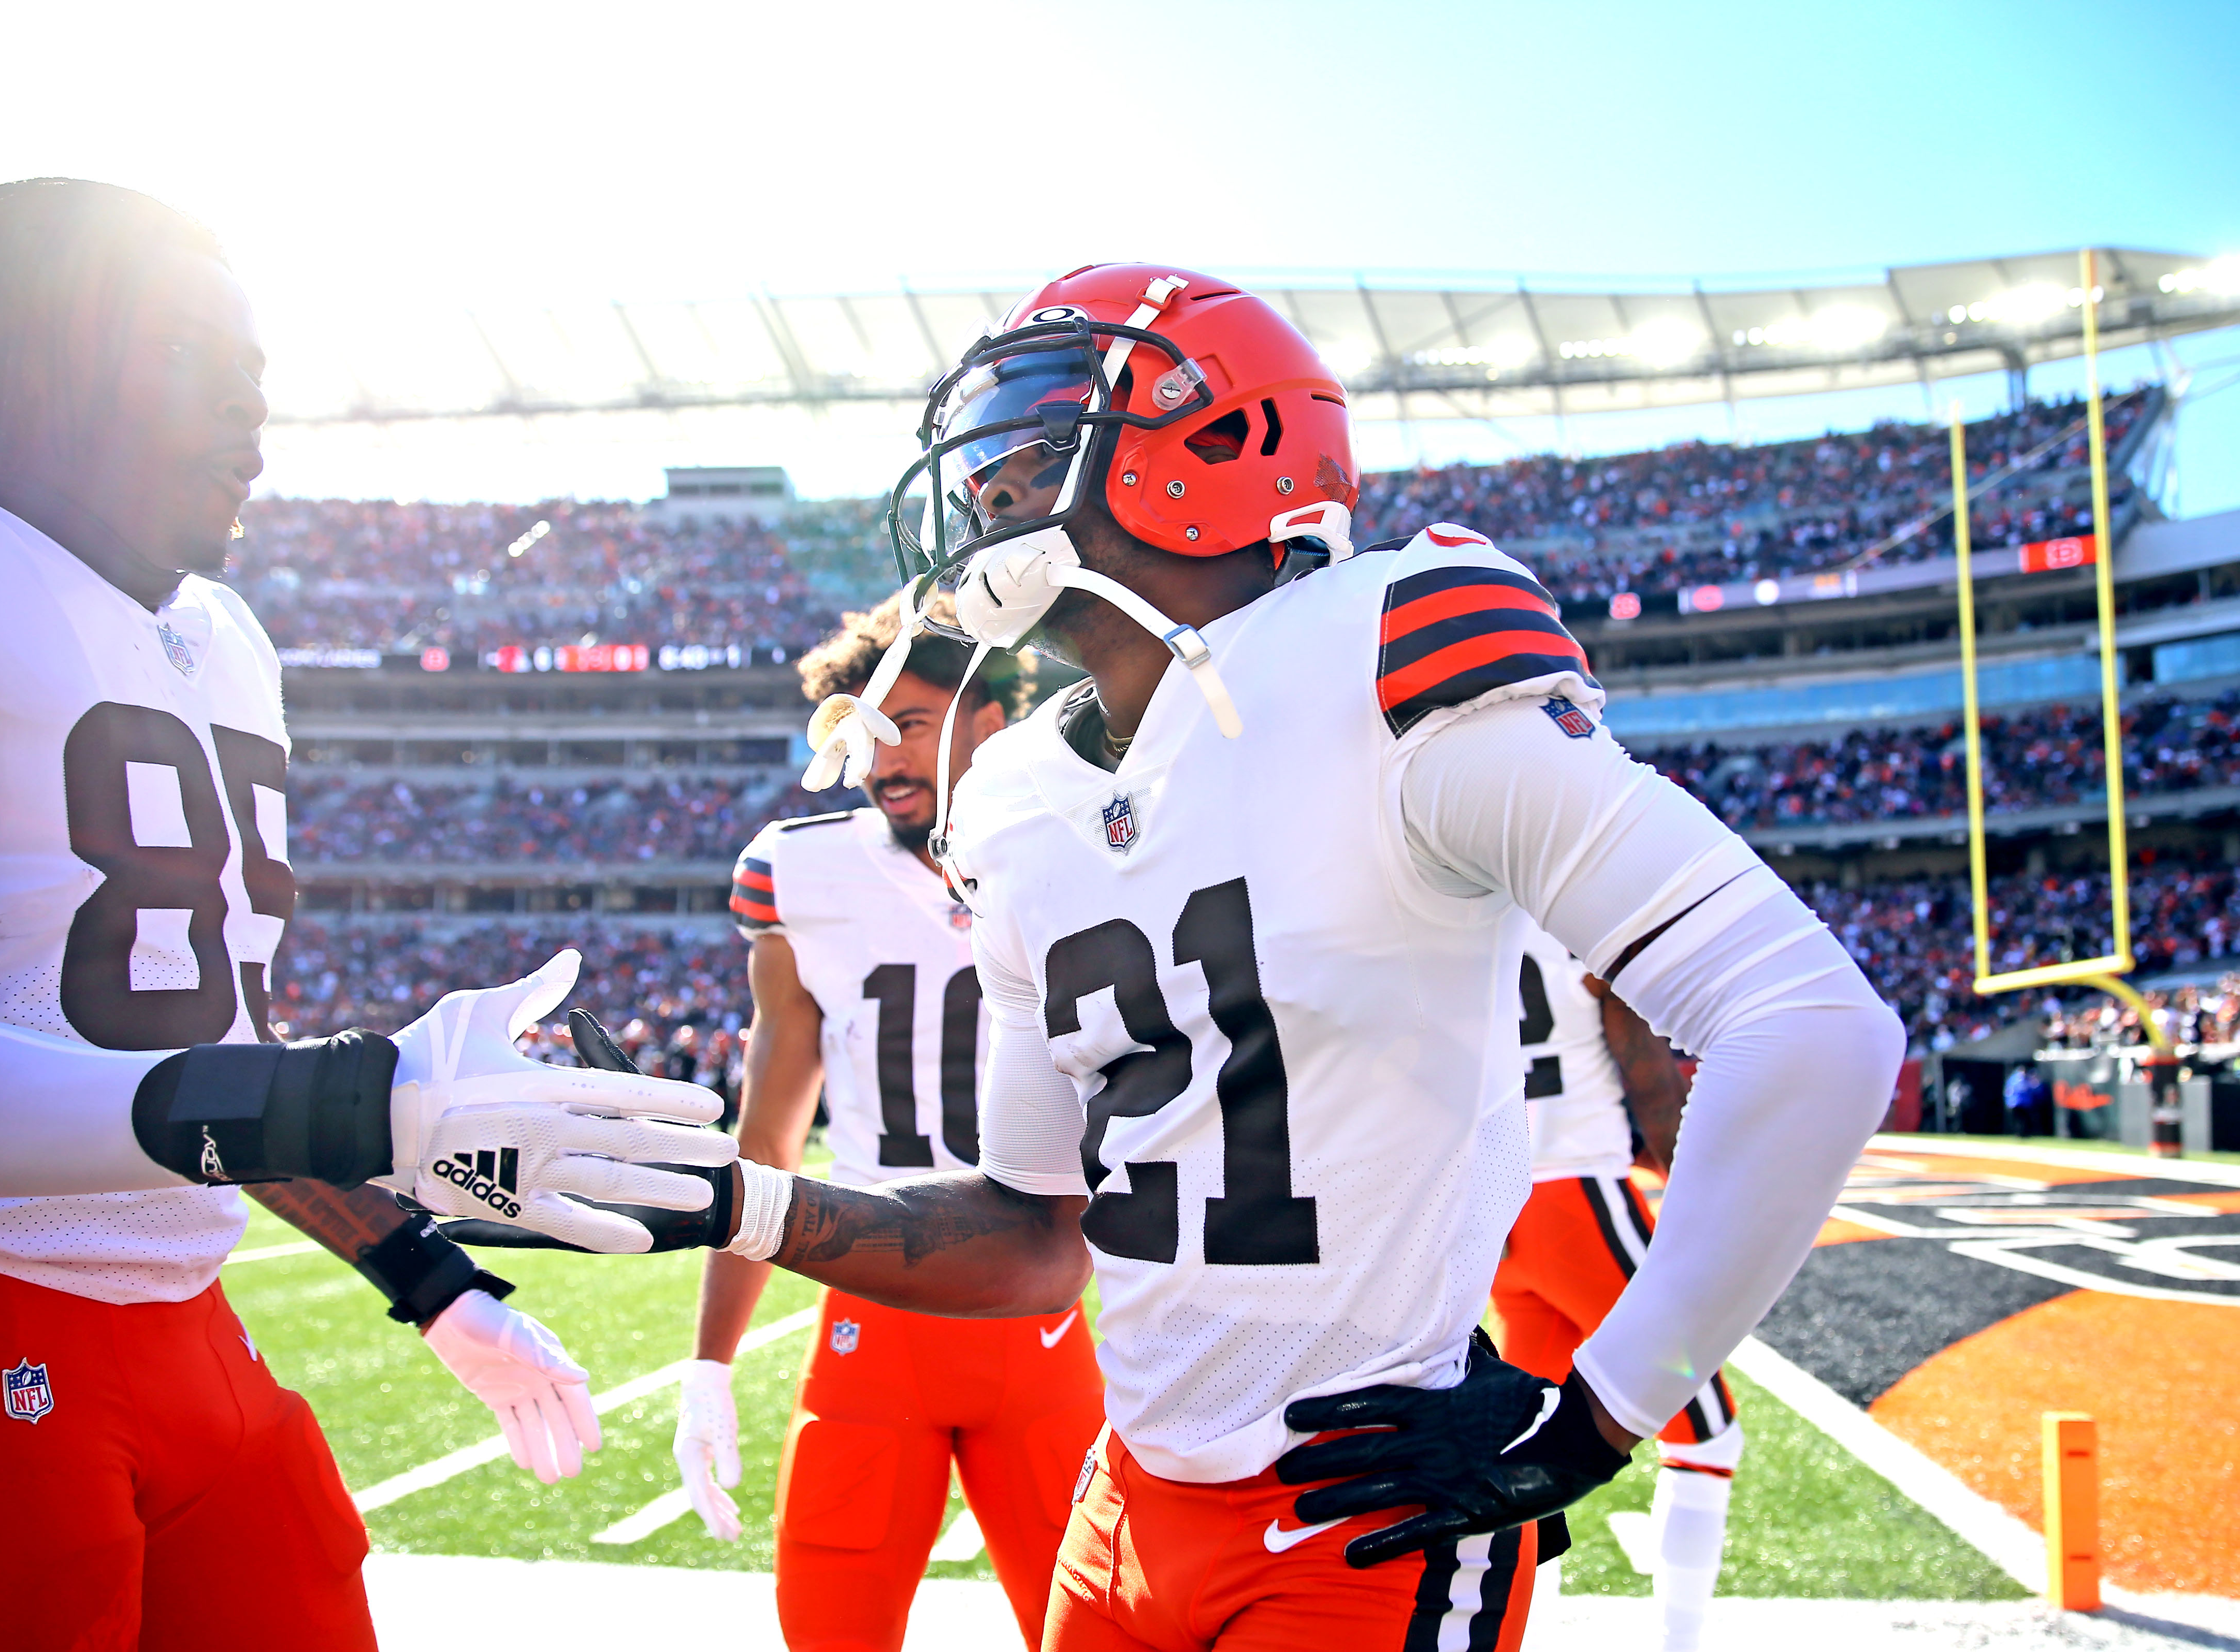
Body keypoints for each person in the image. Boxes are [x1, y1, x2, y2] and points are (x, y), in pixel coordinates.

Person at [466, 264, 1900, 1651]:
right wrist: (725, 1197)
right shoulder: (1016, 799)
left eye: (1033, 437)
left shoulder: (1388, 654)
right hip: (1125, 1504)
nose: (986, 488)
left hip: (1362, 1516)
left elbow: (1813, 1023)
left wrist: (1593, 1411)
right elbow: (1033, 1238)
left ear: (1212, 440)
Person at [0, 179, 732, 1650]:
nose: (247, 416)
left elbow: (208, 1057)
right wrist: (356, 1096)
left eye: (255, 375)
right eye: (182, 355)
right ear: (5, 354)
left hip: (189, 1325)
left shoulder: (225, 639)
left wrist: (430, 1277)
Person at [667, 595, 1106, 1651]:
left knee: (1097, 1629)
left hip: (1043, 1311)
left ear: (992, 720)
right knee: (829, 1624)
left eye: (910, 721)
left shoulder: (1079, 845)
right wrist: (710, 1359)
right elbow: (769, 1139)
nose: (883, 755)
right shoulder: (801, 871)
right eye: (862, 730)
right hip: (875, 1307)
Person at [1490, 923, 1744, 1651]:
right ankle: (1679, 1639)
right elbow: (1648, 1075)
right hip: (1579, 1196)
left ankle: (1517, 1632)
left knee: (1526, 1446)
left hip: (1500, 1203)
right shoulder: (1575, 912)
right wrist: (1693, 1189)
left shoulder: (1463, 911)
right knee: (1707, 1434)